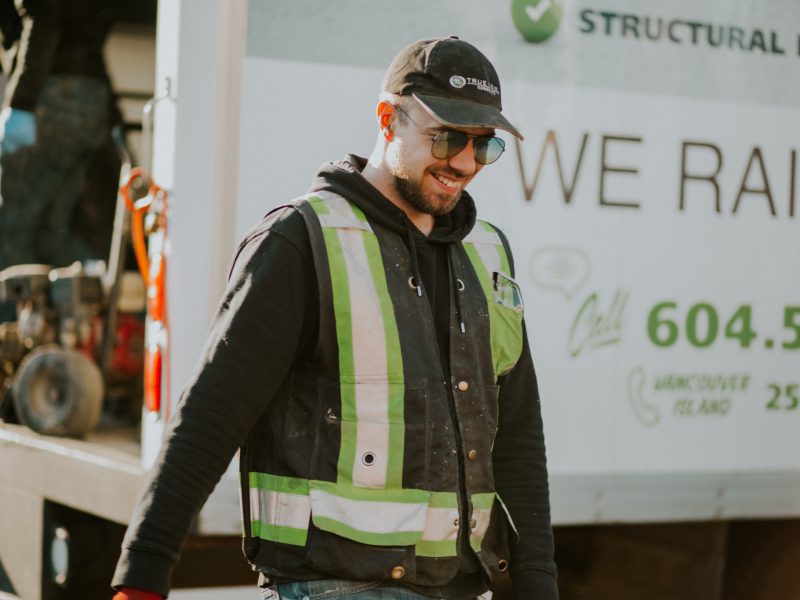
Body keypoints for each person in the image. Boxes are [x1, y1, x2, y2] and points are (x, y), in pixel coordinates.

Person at [111, 37, 558, 600]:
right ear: (388, 119)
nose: (465, 163)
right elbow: (210, 416)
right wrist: (143, 576)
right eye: (446, 138)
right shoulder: (301, 241)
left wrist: (538, 579)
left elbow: (516, 432)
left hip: (459, 588)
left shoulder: (487, 254)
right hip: (331, 587)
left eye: (484, 145)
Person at [0, 0, 116, 271]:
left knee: (11, 228)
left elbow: (42, 15)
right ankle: (92, 283)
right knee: (52, 234)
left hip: (51, 98)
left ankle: (15, 311)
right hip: (89, 100)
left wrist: (21, 103)